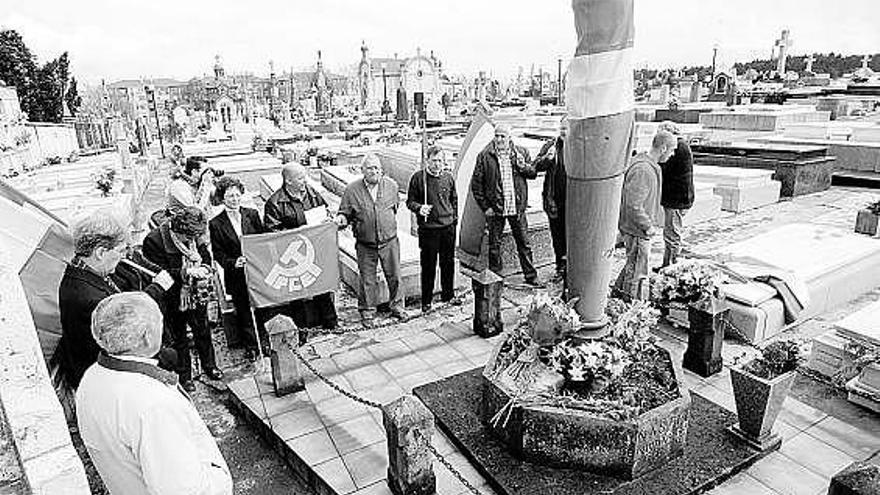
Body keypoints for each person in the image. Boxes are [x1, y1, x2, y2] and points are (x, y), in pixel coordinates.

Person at [76, 292, 232, 495]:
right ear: (147, 337)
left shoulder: (92, 377)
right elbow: (185, 490)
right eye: (160, 321)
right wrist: (218, 478)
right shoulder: (153, 405)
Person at [58, 210, 175, 389]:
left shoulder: (89, 270)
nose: (122, 257)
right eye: (120, 251)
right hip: (107, 379)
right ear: (100, 252)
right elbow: (127, 318)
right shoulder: (87, 297)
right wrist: (157, 289)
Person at [142, 206, 222, 391]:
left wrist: (206, 269)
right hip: (173, 298)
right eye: (189, 238)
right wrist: (186, 272)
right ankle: (185, 375)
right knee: (179, 337)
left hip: (196, 294)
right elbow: (156, 274)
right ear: (178, 230)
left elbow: (206, 256)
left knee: (203, 330)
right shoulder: (154, 240)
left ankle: (209, 366)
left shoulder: (195, 234)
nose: (192, 241)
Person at [263, 163, 338, 330]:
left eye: (304, 176)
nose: (305, 180)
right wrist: (298, 233)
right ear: (288, 181)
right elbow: (272, 232)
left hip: (315, 250)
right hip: (292, 255)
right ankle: (301, 329)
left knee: (322, 286)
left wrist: (328, 219)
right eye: (300, 178)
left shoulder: (311, 193)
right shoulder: (274, 203)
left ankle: (330, 322)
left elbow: (325, 210)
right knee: (296, 293)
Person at [335, 154, 408, 325]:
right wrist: (341, 220)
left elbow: (394, 208)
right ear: (362, 170)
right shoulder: (352, 190)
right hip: (365, 244)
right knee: (367, 279)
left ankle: (398, 307)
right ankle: (367, 312)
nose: (374, 171)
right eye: (370, 168)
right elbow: (345, 213)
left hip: (389, 241)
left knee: (395, 275)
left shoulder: (391, 186)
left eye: (377, 168)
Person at [471, 122, 538, 284]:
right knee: (494, 245)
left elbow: (533, 173)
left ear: (509, 137)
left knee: (524, 243)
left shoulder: (521, 152)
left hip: (516, 207)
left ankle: (531, 276)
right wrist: (485, 207)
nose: (499, 139)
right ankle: (496, 278)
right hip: (496, 209)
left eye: (503, 136)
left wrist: (523, 166)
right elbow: (476, 184)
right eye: (497, 135)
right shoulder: (485, 155)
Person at [614, 130, 678, 301]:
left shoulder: (646, 166)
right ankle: (630, 308)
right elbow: (633, 204)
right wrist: (647, 226)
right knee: (637, 272)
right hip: (637, 230)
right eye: (672, 150)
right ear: (663, 148)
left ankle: (618, 295)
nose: (672, 155)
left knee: (633, 265)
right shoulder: (643, 169)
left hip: (636, 228)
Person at [209, 176, 265, 353]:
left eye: (237, 195)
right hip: (236, 275)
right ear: (222, 199)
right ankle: (251, 345)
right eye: (230, 196)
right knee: (243, 311)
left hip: (256, 271)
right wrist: (233, 263)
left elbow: (262, 240)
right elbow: (218, 253)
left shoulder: (252, 214)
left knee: (261, 307)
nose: (234, 200)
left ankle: (265, 340)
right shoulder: (216, 224)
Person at [406, 145, 459, 312]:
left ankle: (448, 295)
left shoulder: (448, 178)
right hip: (429, 229)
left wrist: (454, 219)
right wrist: (419, 208)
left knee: (448, 263)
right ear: (427, 161)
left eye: (440, 161)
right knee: (428, 266)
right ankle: (427, 300)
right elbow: (410, 201)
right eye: (434, 161)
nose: (437, 164)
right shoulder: (418, 179)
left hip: (447, 227)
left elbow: (454, 200)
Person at [533, 117, 568, 280]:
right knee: (557, 236)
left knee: (571, 236)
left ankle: (571, 266)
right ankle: (560, 266)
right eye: (562, 128)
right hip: (554, 200)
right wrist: (547, 158)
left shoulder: (579, 146)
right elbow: (535, 166)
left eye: (567, 128)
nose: (564, 131)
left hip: (573, 203)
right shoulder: (551, 146)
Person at [657, 121, 694, 267]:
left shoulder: (676, 147)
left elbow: (663, 167)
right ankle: (667, 264)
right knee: (671, 231)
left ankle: (670, 267)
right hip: (681, 196)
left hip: (676, 198)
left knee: (672, 233)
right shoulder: (682, 145)